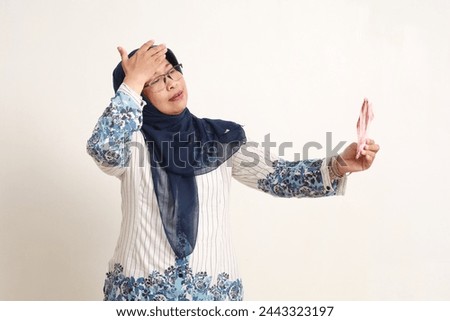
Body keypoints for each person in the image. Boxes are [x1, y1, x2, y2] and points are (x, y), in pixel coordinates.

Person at [86, 40, 380, 301]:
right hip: (140, 299)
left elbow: (278, 177)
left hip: (215, 297)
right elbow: (103, 149)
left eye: (173, 70)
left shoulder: (220, 137)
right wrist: (132, 81)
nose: (172, 83)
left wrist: (341, 164)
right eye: (155, 81)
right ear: (139, 94)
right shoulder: (130, 142)